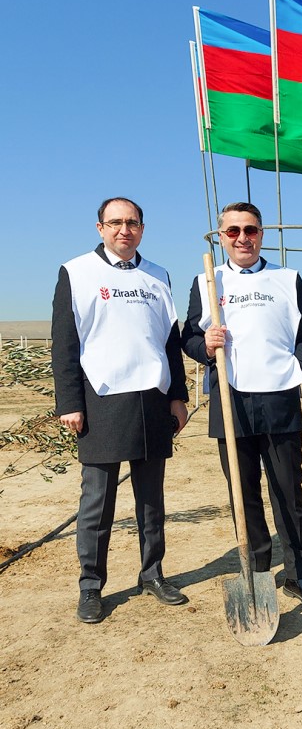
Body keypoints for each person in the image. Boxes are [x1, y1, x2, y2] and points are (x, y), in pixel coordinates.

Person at [181, 202, 302, 613]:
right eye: (233, 231)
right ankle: (259, 571)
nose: (242, 238)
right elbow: (187, 338)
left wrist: (296, 368)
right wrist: (205, 345)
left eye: (250, 230)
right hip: (231, 400)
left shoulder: (287, 278)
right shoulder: (207, 280)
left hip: (279, 399)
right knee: (243, 492)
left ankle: (299, 575)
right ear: (222, 237)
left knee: (288, 491)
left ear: (261, 234)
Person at [52, 197, 190, 624]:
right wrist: (70, 403)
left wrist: (178, 396)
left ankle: (153, 574)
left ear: (142, 229)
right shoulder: (76, 272)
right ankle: (91, 586)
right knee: (97, 502)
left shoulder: (158, 275)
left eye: (132, 223)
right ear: (100, 228)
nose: (123, 230)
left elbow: (170, 342)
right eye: (115, 223)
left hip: (151, 398)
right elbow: (65, 343)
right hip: (101, 400)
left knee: (151, 500)